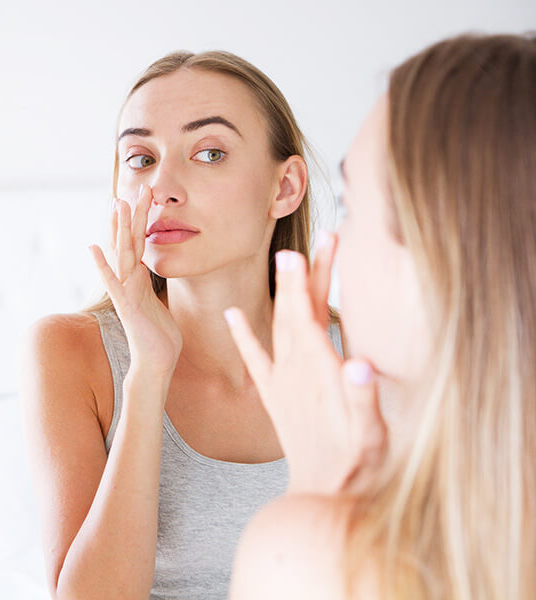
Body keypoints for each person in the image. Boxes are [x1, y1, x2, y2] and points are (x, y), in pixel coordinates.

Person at [19, 50, 342, 600]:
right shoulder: (70, 353)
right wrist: (148, 374)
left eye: (209, 152)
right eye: (140, 159)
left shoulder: (357, 355)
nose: (161, 187)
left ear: (285, 187)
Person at [226, 32, 536, 600]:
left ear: (441, 251)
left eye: (350, 204)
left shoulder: (314, 556)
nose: (336, 239)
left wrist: (318, 493)